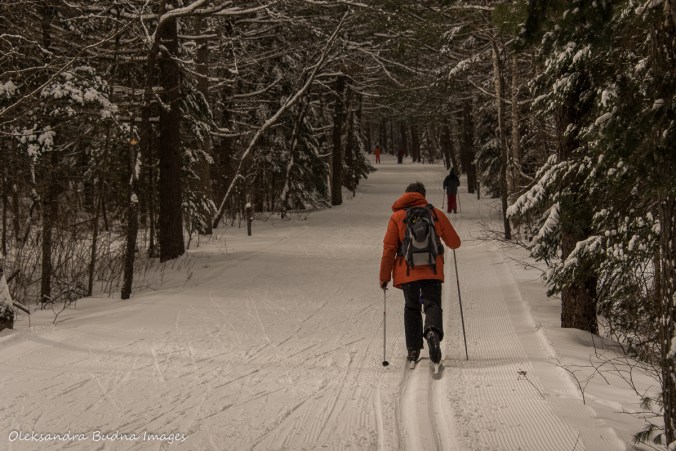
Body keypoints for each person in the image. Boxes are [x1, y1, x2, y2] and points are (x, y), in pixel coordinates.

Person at [379, 181, 461, 365]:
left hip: (407, 272)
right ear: (422, 196)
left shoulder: (397, 217)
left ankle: (413, 349)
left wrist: (384, 277)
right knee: (432, 304)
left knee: (412, 307)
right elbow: (455, 242)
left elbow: (389, 249)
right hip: (432, 270)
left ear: (406, 194)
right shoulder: (434, 213)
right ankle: (432, 331)